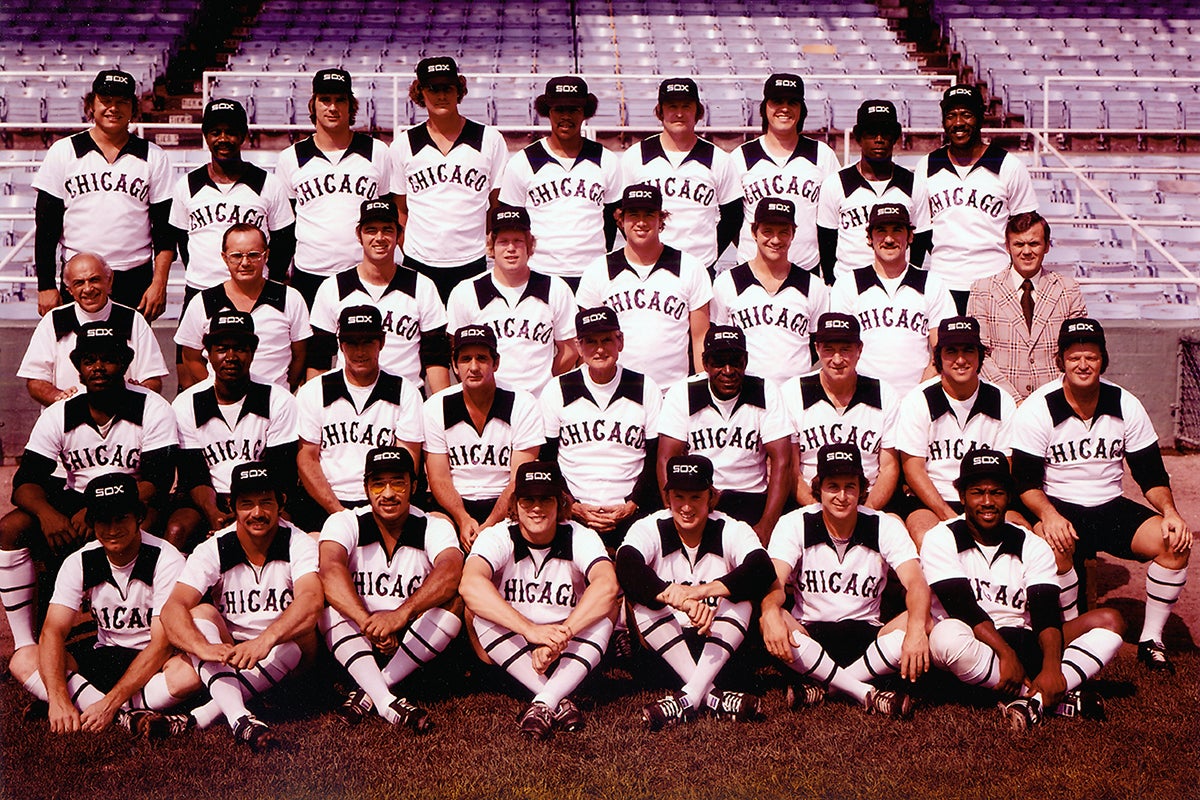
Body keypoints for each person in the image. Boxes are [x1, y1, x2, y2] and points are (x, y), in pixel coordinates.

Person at [1011, 318, 1191, 672]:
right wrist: (1048, 516)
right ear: (1061, 359)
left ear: (1103, 360)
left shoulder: (1124, 402)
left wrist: (1170, 512)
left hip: (1109, 507)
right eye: (1074, 356)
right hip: (1059, 505)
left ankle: (1151, 640)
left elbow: (1150, 474)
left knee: (1174, 542)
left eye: (1091, 357)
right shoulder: (1038, 407)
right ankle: (1071, 633)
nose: (1082, 365)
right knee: (1053, 544)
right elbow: (1025, 482)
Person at [0, 324, 177, 653]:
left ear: (125, 363)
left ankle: (137, 632)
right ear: (78, 366)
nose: (98, 367)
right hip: (76, 501)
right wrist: (47, 514)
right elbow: (25, 483)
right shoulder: (59, 413)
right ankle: (27, 644)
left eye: (108, 359)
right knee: (11, 528)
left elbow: (158, 480)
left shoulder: (153, 407)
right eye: (89, 360)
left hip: (133, 500)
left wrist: (97, 512)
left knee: (146, 524)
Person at [924, 450, 1125, 731]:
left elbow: (1045, 613)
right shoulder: (941, 537)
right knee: (945, 636)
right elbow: (961, 607)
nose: (987, 502)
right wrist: (1006, 654)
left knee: (1110, 621)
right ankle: (1036, 697)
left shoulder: (1031, 543)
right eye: (977, 492)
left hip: (1024, 640)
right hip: (972, 641)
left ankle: (1036, 696)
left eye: (997, 492)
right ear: (962, 496)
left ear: (1009, 496)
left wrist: (1053, 668)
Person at [8, 473, 196, 740]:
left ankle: (93, 703)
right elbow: (53, 631)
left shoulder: (165, 559)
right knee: (23, 658)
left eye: (121, 518)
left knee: (189, 674)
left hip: (152, 661)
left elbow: (161, 644)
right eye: (102, 520)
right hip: (103, 654)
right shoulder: (81, 560)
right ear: (91, 522)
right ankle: (125, 717)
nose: (112, 529)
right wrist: (59, 699)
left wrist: (109, 703)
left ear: (138, 517)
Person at [160, 462, 324, 752]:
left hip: (287, 651)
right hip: (234, 654)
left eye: (266, 502)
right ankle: (240, 717)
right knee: (193, 631)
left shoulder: (297, 541)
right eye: (247, 504)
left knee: (298, 637)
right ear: (231, 505)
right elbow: (172, 608)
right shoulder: (214, 548)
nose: (257, 513)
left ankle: (206, 712)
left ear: (281, 503)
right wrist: (202, 648)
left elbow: (311, 602)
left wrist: (265, 641)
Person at [761, 443, 932, 719]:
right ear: (819, 488)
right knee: (771, 614)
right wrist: (769, 612)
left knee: (925, 619)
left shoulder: (882, 524)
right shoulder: (796, 523)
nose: (842, 496)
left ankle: (825, 687)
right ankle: (864, 691)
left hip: (867, 638)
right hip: (808, 636)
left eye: (850, 486)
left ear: (862, 488)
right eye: (833, 486)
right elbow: (775, 582)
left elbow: (916, 583)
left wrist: (914, 630)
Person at [459, 461, 619, 740]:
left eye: (546, 498)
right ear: (515, 504)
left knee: (605, 612)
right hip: (514, 643)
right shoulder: (498, 536)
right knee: (478, 610)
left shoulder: (580, 535)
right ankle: (557, 697)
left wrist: (562, 634)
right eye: (528, 499)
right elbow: (469, 584)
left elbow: (607, 585)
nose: (536, 507)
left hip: (568, 645)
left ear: (560, 503)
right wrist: (530, 630)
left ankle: (544, 701)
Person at [616, 455, 776, 730]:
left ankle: (689, 696)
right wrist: (671, 594)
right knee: (645, 601)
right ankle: (711, 695)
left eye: (696, 497)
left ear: (711, 498)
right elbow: (626, 564)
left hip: (718, 647)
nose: (687, 507)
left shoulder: (731, 527)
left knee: (740, 597)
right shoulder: (650, 526)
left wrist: (702, 592)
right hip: (664, 650)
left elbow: (761, 567)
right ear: (668, 498)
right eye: (679, 497)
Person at [319, 447, 463, 732]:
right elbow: (330, 570)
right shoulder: (345, 521)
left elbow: (451, 570)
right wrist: (367, 623)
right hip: (357, 633)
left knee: (456, 601)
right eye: (378, 484)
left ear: (414, 486)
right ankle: (384, 698)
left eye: (398, 483)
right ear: (365, 488)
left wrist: (401, 615)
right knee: (321, 596)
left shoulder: (432, 525)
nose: (388, 493)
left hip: (411, 636)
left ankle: (375, 685)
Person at [33, 69, 174, 319]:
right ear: (91, 104)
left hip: (134, 277)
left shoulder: (153, 155)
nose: (113, 108)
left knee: (132, 355)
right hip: (79, 277)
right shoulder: (64, 151)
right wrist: (45, 285)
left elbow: (165, 233)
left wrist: (159, 283)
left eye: (122, 102)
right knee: (75, 354)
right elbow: (46, 228)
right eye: (106, 101)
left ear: (133, 109)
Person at [168, 311, 298, 552]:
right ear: (207, 352)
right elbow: (193, 475)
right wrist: (214, 514)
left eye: (239, 348)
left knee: (285, 522)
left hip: (261, 494)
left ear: (252, 352)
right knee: (178, 529)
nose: (230, 357)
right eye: (221, 348)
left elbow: (282, 472)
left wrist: (243, 512)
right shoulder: (186, 403)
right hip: (206, 499)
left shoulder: (278, 399)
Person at [294, 305, 424, 532]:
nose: (359, 351)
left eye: (368, 342)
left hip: (385, 504)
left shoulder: (405, 390)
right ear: (340, 344)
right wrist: (340, 514)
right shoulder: (314, 390)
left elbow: (407, 461)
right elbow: (307, 459)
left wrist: (377, 512)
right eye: (352, 343)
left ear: (381, 343)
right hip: (327, 505)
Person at [390, 56, 508, 303]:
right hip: (418, 261)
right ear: (420, 92)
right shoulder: (404, 143)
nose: (441, 95)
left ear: (459, 90)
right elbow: (400, 209)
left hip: (471, 261)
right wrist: (409, 248)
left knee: (467, 337)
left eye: (448, 88)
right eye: (433, 89)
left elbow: (497, 204)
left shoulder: (489, 139)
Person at [657, 325, 791, 543]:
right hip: (699, 496)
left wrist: (766, 526)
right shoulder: (683, 392)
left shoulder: (765, 390)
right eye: (719, 362)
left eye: (735, 362)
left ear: (745, 361)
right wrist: (673, 511)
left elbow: (782, 461)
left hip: (750, 497)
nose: (728, 371)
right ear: (705, 363)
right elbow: (665, 458)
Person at [541, 307, 661, 549]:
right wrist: (572, 505)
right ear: (578, 346)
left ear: (620, 341)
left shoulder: (644, 386)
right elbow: (547, 458)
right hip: (574, 513)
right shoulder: (558, 389)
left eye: (607, 340)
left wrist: (633, 503)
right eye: (590, 342)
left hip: (631, 512)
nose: (599, 349)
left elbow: (655, 456)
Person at [576, 183, 712, 391]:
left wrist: (701, 389)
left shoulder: (690, 267)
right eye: (633, 215)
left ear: (661, 220)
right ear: (621, 220)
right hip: (617, 391)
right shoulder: (598, 270)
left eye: (649, 215)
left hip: (673, 392)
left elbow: (700, 337)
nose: (641, 222)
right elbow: (587, 344)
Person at [896, 316, 1018, 547]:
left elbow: (1006, 466)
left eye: (968, 351)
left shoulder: (1002, 400)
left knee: (1022, 535)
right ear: (939, 358)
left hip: (985, 500)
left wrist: (979, 510)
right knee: (928, 539)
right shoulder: (918, 399)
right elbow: (913, 469)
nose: (960, 360)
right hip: (930, 500)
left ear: (980, 356)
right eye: (951, 351)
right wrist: (948, 516)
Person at [916, 84, 1038, 313]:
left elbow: (1026, 229)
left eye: (967, 115)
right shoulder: (927, 165)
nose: (959, 122)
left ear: (980, 118)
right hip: (943, 284)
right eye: (951, 116)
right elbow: (921, 231)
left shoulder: (1008, 165)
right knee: (945, 349)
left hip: (995, 283)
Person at [275, 68, 392, 306]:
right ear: (313, 105)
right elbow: (284, 228)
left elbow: (389, 214)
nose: (332, 107)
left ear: (351, 106)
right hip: (310, 273)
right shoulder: (291, 157)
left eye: (340, 100)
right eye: (325, 100)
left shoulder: (377, 151)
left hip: (364, 272)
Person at [307, 198, 450, 392]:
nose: (380, 237)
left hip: (406, 396)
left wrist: (439, 409)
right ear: (359, 235)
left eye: (387, 230)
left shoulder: (422, 286)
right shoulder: (334, 287)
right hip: (349, 397)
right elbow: (319, 359)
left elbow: (435, 358)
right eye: (371, 230)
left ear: (399, 234)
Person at [424, 325, 543, 549]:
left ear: (495, 363)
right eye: (466, 359)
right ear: (454, 365)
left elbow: (519, 478)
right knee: (443, 549)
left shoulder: (522, 403)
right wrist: (462, 518)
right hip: (454, 506)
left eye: (482, 358)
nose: (474, 367)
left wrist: (488, 525)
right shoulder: (436, 406)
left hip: (505, 502)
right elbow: (438, 478)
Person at [498, 76, 622, 290]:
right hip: (540, 273)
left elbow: (613, 220)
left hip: (592, 274)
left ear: (585, 112)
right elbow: (511, 223)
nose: (566, 116)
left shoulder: (606, 159)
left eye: (574, 109)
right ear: (547, 111)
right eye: (559, 109)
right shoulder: (524, 161)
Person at [446, 205, 577, 397]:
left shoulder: (555, 288)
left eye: (518, 241)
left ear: (530, 245)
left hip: (539, 401)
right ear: (491, 245)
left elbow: (570, 349)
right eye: (503, 242)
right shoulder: (466, 292)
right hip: (487, 400)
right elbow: (455, 353)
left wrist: (546, 384)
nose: (511, 249)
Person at [169, 98, 295, 296]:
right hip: (201, 290)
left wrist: (270, 280)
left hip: (253, 291)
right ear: (205, 136)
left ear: (243, 135)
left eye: (231, 132)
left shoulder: (268, 183)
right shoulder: (187, 184)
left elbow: (284, 242)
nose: (223, 139)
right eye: (215, 132)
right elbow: (183, 241)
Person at [829, 203, 954, 398]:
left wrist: (917, 396)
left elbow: (943, 352)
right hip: (861, 399)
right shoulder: (848, 285)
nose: (889, 239)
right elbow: (840, 353)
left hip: (917, 398)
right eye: (881, 231)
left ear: (910, 236)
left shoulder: (932, 283)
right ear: (869, 238)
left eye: (897, 230)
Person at [780, 313, 901, 511]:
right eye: (829, 350)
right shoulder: (792, 392)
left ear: (859, 349)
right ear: (817, 348)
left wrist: (866, 512)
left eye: (845, 350)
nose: (837, 359)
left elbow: (888, 468)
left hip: (867, 502)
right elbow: (792, 471)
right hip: (811, 504)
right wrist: (820, 511)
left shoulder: (884, 393)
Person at [621, 78, 742, 271]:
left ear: (698, 112)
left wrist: (711, 253)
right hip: (648, 267)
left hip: (700, 266)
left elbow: (733, 216)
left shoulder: (718, 159)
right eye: (672, 106)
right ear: (660, 111)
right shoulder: (635, 156)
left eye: (686, 106)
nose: (679, 113)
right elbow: (621, 212)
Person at [18, 252, 167, 406]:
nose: (88, 289)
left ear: (109, 281)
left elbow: (153, 378)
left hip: (123, 418)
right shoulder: (53, 321)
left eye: (94, 280)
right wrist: (61, 399)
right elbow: (35, 381)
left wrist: (139, 392)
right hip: (68, 418)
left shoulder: (132, 319)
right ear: (69, 290)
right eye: (79, 283)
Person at [175, 222, 311, 391]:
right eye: (237, 255)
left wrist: (281, 391)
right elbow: (190, 357)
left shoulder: (290, 298)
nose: (245, 263)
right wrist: (217, 390)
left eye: (253, 255)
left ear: (266, 255)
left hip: (274, 404)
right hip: (222, 402)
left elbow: (300, 355)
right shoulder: (203, 301)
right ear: (225, 257)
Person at [967, 212, 1087, 401]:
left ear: (1047, 246)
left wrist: (1051, 400)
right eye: (1019, 244)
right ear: (1007, 246)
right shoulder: (983, 290)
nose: (1026, 251)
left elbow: (1077, 351)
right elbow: (979, 354)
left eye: (1034, 244)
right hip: (1002, 403)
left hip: (1056, 401)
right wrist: (1014, 401)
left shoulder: (1068, 289)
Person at [709, 198, 828, 384]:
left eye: (783, 232)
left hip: (796, 393)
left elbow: (816, 345)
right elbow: (718, 343)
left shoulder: (813, 285)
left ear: (793, 234)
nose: (775, 239)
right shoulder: (727, 283)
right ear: (753, 232)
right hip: (745, 391)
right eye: (767, 231)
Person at [731, 74, 840, 273]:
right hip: (751, 271)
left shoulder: (822, 154)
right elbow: (732, 218)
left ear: (802, 110)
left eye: (792, 102)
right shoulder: (742, 156)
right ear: (764, 108)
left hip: (806, 269)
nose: (785, 108)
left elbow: (832, 218)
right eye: (777, 101)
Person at [817, 99, 930, 284]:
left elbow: (920, 239)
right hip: (848, 286)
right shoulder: (836, 183)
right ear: (859, 137)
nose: (879, 139)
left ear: (895, 137)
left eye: (885, 133)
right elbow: (826, 241)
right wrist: (834, 283)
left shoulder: (912, 183)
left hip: (898, 285)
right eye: (871, 133)